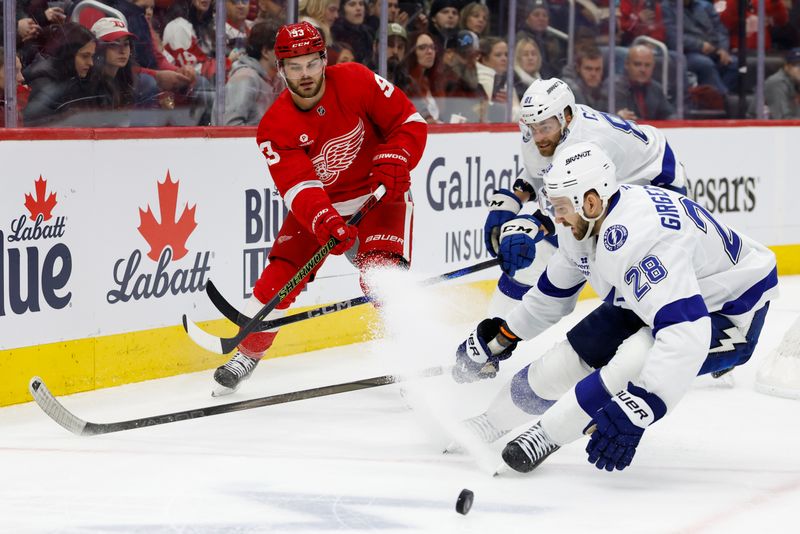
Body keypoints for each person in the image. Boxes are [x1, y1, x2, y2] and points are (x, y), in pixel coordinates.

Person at [452, 141, 777, 473]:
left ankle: (548, 433)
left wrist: (643, 405)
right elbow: (553, 292)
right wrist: (504, 335)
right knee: (563, 363)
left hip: (731, 311)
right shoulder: (586, 222)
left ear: (591, 201)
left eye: (561, 207)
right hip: (664, 295)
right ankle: (493, 421)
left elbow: (685, 333)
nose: (557, 218)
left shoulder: (645, 241)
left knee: (635, 359)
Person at [212, 21, 427, 394]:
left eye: (312, 63)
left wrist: (400, 155)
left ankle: (408, 355)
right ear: (280, 69)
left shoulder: (357, 80)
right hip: (322, 204)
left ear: (324, 59)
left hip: (378, 195)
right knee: (279, 277)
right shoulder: (274, 126)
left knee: (381, 274)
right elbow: (298, 185)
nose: (305, 74)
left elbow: (408, 121)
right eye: (294, 67)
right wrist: (325, 219)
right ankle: (247, 352)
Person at [482, 78, 687, 317]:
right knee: (541, 260)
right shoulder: (547, 127)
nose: (538, 137)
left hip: (656, 184)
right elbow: (542, 168)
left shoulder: (587, 143)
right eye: (533, 128)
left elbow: (571, 205)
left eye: (544, 128)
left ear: (566, 117)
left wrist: (533, 225)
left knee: (616, 262)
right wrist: (511, 202)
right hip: (610, 184)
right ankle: (494, 328)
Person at [22, 22, 101, 126]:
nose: (91, 63)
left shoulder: (74, 77)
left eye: (92, 56)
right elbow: (37, 125)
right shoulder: (43, 82)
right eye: (85, 56)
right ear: (68, 55)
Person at [215, 21, 284, 125]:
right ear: (265, 52)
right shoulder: (245, 79)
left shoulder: (278, 80)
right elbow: (230, 128)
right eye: (283, 48)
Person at [614, 44, 676, 120]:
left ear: (653, 66)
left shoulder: (656, 88)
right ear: (627, 64)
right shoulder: (615, 87)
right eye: (637, 64)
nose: (643, 70)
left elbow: (669, 114)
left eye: (647, 65)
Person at [757, 47, 800, 119]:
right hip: (760, 128)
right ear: (787, 67)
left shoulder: (795, 82)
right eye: (797, 65)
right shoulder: (777, 83)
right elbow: (782, 120)